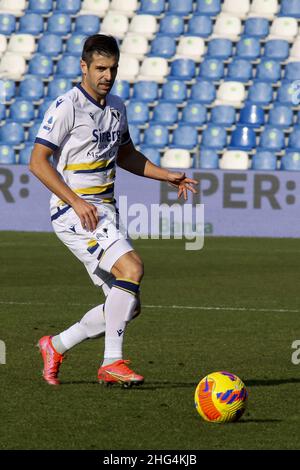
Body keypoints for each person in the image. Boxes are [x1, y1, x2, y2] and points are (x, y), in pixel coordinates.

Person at [29, 34, 198, 387]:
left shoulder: (116, 106)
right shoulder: (68, 106)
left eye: (113, 68)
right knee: (132, 268)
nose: (107, 75)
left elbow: (126, 155)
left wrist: (165, 174)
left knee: (127, 304)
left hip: (105, 210)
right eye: (100, 68)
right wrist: (76, 202)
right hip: (76, 211)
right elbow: (38, 162)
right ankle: (112, 362)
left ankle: (56, 345)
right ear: (84, 67)